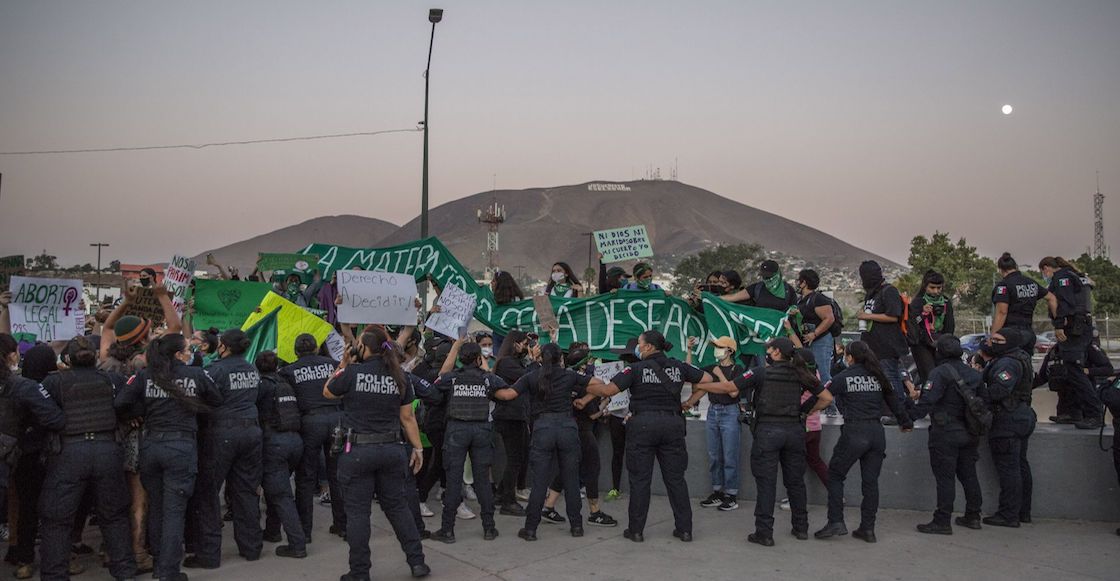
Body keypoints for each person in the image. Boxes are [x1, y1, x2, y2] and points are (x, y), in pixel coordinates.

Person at [588, 331, 728, 543]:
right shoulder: (678, 366)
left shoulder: (634, 369)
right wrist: (689, 402)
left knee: (640, 480)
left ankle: (636, 530)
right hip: (672, 425)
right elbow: (708, 379)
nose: (638, 347)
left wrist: (582, 381)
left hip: (643, 425)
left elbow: (608, 390)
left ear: (648, 347)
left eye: (640, 344)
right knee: (676, 480)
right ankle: (685, 530)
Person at [696, 337, 833, 547]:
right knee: (795, 482)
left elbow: (729, 387)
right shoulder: (800, 373)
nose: (766, 353)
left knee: (766, 483)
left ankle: (764, 533)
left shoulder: (760, 373)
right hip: (794, 432)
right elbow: (827, 398)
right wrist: (804, 412)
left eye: (768, 349)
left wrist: (700, 384)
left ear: (777, 352)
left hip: (768, 432)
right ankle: (801, 527)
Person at [323, 327, 430, 579]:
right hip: (392, 451)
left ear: (363, 348)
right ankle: (417, 562)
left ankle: (360, 572)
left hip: (357, 451)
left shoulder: (352, 373)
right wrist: (418, 448)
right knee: (398, 508)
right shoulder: (400, 376)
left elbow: (327, 391)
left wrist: (343, 362)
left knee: (358, 513)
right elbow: (408, 417)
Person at [115, 333, 223, 581]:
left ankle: (158, 567)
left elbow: (120, 402)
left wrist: (139, 413)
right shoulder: (195, 374)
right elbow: (217, 399)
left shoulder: (144, 375)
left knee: (158, 508)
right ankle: (169, 571)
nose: (190, 353)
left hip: (151, 445)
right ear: (177, 354)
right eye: (187, 350)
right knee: (174, 511)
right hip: (181, 447)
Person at [38, 337, 138, 581]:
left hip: (69, 454)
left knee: (57, 519)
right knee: (114, 515)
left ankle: (54, 575)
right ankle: (125, 572)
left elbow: (39, 411)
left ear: (68, 359)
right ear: (94, 358)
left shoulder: (53, 382)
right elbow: (131, 403)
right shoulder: (112, 379)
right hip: (107, 451)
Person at [493, 343, 596, 540]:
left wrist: (487, 384)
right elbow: (601, 386)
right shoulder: (569, 376)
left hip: (543, 429)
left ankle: (530, 529)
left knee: (540, 481)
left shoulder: (532, 376)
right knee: (571, 480)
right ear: (561, 359)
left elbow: (508, 395)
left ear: (541, 358)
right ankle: (577, 527)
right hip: (567, 427)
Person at [814, 341, 912, 543]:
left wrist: (805, 410)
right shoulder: (879, 376)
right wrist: (905, 422)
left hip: (854, 431)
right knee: (870, 482)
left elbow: (824, 396)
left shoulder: (844, 377)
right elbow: (894, 402)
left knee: (835, 475)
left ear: (850, 357)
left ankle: (836, 521)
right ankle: (868, 529)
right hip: (876, 433)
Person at [184, 329, 264, 569]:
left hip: (222, 433)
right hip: (251, 432)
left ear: (224, 347)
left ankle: (208, 554)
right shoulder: (252, 369)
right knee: (246, 491)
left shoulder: (215, 370)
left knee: (209, 494)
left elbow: (202, 399)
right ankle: (251, 547)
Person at [0, 336, 67, 579]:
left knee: (21, 506)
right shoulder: (30, 388)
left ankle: (20, 554)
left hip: (14, 457)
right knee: (40, 508)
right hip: (34, 455)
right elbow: (56, 419)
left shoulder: (18, 384)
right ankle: (41, 559)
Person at [429, 340, 507, 543]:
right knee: (482, 480)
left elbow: (440, 378)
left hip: (457, 430)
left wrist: (455, 348)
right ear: (478, 358)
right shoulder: (487, 379)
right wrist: (484, 367)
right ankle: (489, 528)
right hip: (481, 430)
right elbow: (503, 388)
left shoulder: (453, 378)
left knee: (453, 481)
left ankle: (447, 530)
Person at [907, 335, 984, 534]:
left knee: (945, 478)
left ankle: (942, 521)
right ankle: (974, 515)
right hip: (970, 431)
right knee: (969, 475)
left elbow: (926, 402)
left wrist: (907, 418)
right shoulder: (973, 374)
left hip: (945, 432)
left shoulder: (939, 373)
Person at [278, 334, 346, 541]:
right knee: (337, 475)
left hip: (310, 423)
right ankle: (342, 526)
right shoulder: (333, 364)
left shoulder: (288, 371)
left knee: (306, 478)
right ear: (316, 349)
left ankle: (304, 531)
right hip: (336, 420)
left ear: (296, 352)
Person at [977, 328, 1036, 527]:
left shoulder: (1007, 363)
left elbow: (999, 390)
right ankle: (1023, 512)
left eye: (998, 339)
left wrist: (978, 394)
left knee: (1010, 469)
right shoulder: (1020, 358)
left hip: (1008, 419)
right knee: (1020, 466)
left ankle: (1009, 514)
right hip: (1021, 416)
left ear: (1009, 342)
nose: (993, 342)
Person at [683, 336, 744, 512]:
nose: (717, 349)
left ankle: (731, 494)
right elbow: (689, 374)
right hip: (713, 411)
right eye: (716, 346)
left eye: (720, 347)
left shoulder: (737, 369)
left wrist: (717, 375)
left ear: (730, 351)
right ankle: (717, 492)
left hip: (730, 412)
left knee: (730, 455)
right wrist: (689, 350)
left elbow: (733, 393)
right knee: (714, 454)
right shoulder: (710, 368)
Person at [1039, 256, 1101, 429]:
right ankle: (1072, 412)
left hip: (1074, 330)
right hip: (1080, 328)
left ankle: (1094, 414)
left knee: (1075, 372)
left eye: (1043, 272)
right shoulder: (1074, 275)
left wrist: (1058, 325)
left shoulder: (1062, 278)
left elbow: (1065, 303)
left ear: (1046, 268)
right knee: (1070, 371)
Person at [255, 351, 307, 558]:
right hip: (295, 441)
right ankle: (272, 530)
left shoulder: (262, 386)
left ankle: (297, 544)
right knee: (277, 488)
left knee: (281, 494)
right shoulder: (286, 383)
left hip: (274, 442)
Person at [856, 260, 910, 419]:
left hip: (887, 345)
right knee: (879, 379)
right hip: (873, 345)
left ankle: (899, 412)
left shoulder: (889, 291)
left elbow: (893, 316)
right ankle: (884, 410)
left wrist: (868, 316)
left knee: (890, 377)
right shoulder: (872, 294)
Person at [491, 330, 535, 517]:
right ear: (514, 344)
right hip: (509, 417)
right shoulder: (507, 363)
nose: (526, 347)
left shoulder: (511, 362)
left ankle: (502, 493)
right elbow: (530, 378)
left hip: (516, 415)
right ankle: (508, 501)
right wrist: (533, 361)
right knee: (515, 459)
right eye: (524, 343)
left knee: (519, 456)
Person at [990, 252, 1057, 356]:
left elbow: (1002, 312)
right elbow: (1051, 298)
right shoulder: (1031, 283)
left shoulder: (1004, 286)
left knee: (1009, 365)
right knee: (1026, 365)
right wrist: (1058, 322)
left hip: (1010, 335)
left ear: (1000, 269)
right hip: (1029, 333)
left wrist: (993, 336)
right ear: (1015, 267)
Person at [908, 270, 954, 384]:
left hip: (939, 342)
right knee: (930, 375)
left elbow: (949, 325)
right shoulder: (918, 302)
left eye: (939, 288)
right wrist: (923, 315)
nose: (936, 291)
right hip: (921, 343)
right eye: (932, 287)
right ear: (925, 286)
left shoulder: (946, 302)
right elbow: (912, 324)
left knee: (943, 373)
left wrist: (946, 342)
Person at [795, 269, 837, 387]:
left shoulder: (818, 298)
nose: (797, 283)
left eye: (799, 280)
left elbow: (829, 318)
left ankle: (830, 404)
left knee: (823, 376)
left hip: (820, 341)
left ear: (804, 283)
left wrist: (814, 334)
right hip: (807, 342)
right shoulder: (800, 300)